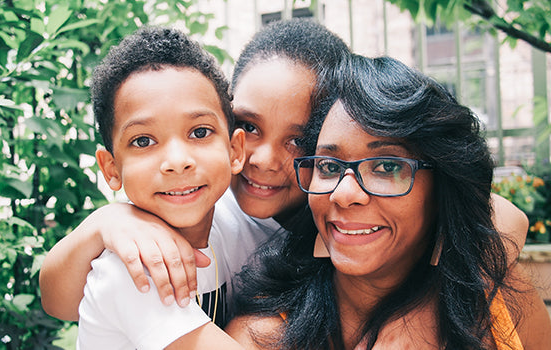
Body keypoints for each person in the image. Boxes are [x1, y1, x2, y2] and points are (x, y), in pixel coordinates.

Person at [39, 19, 529, 323]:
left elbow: (505, 217)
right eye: (249, 126)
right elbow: (65, 302)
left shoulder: (342, 214)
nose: (265, 159)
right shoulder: (197, 206)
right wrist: (105, 223)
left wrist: (417, 317)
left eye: (298, 140)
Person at [225, 53, 551, 349]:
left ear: (441, 188)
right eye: (329, 166)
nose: (344, 193)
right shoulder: (261, 339)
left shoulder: (499, 308)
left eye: (387, 167)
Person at [74, 26, 245, 349]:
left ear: (235, 150)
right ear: (111, 168)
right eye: (143, 140)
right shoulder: (131, 271)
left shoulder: (232, 226)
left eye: (200, 132)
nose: (177, 161)